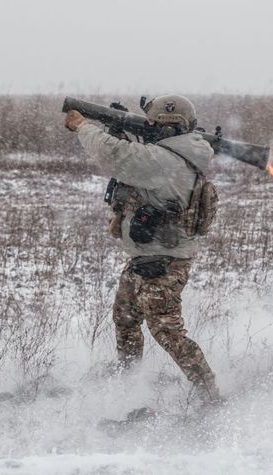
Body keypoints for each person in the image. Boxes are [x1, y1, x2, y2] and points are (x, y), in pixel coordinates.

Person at [64, 95, 220, 405]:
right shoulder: (174, 153)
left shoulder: (164, 160)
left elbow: (115, 155)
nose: (147, 126)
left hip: (164, 261)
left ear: (164, 128)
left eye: (152, 123)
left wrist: (83, 126)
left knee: (166, 330)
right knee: (125, 318)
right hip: (146, 256)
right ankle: (131, 383)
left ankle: (210, 395)